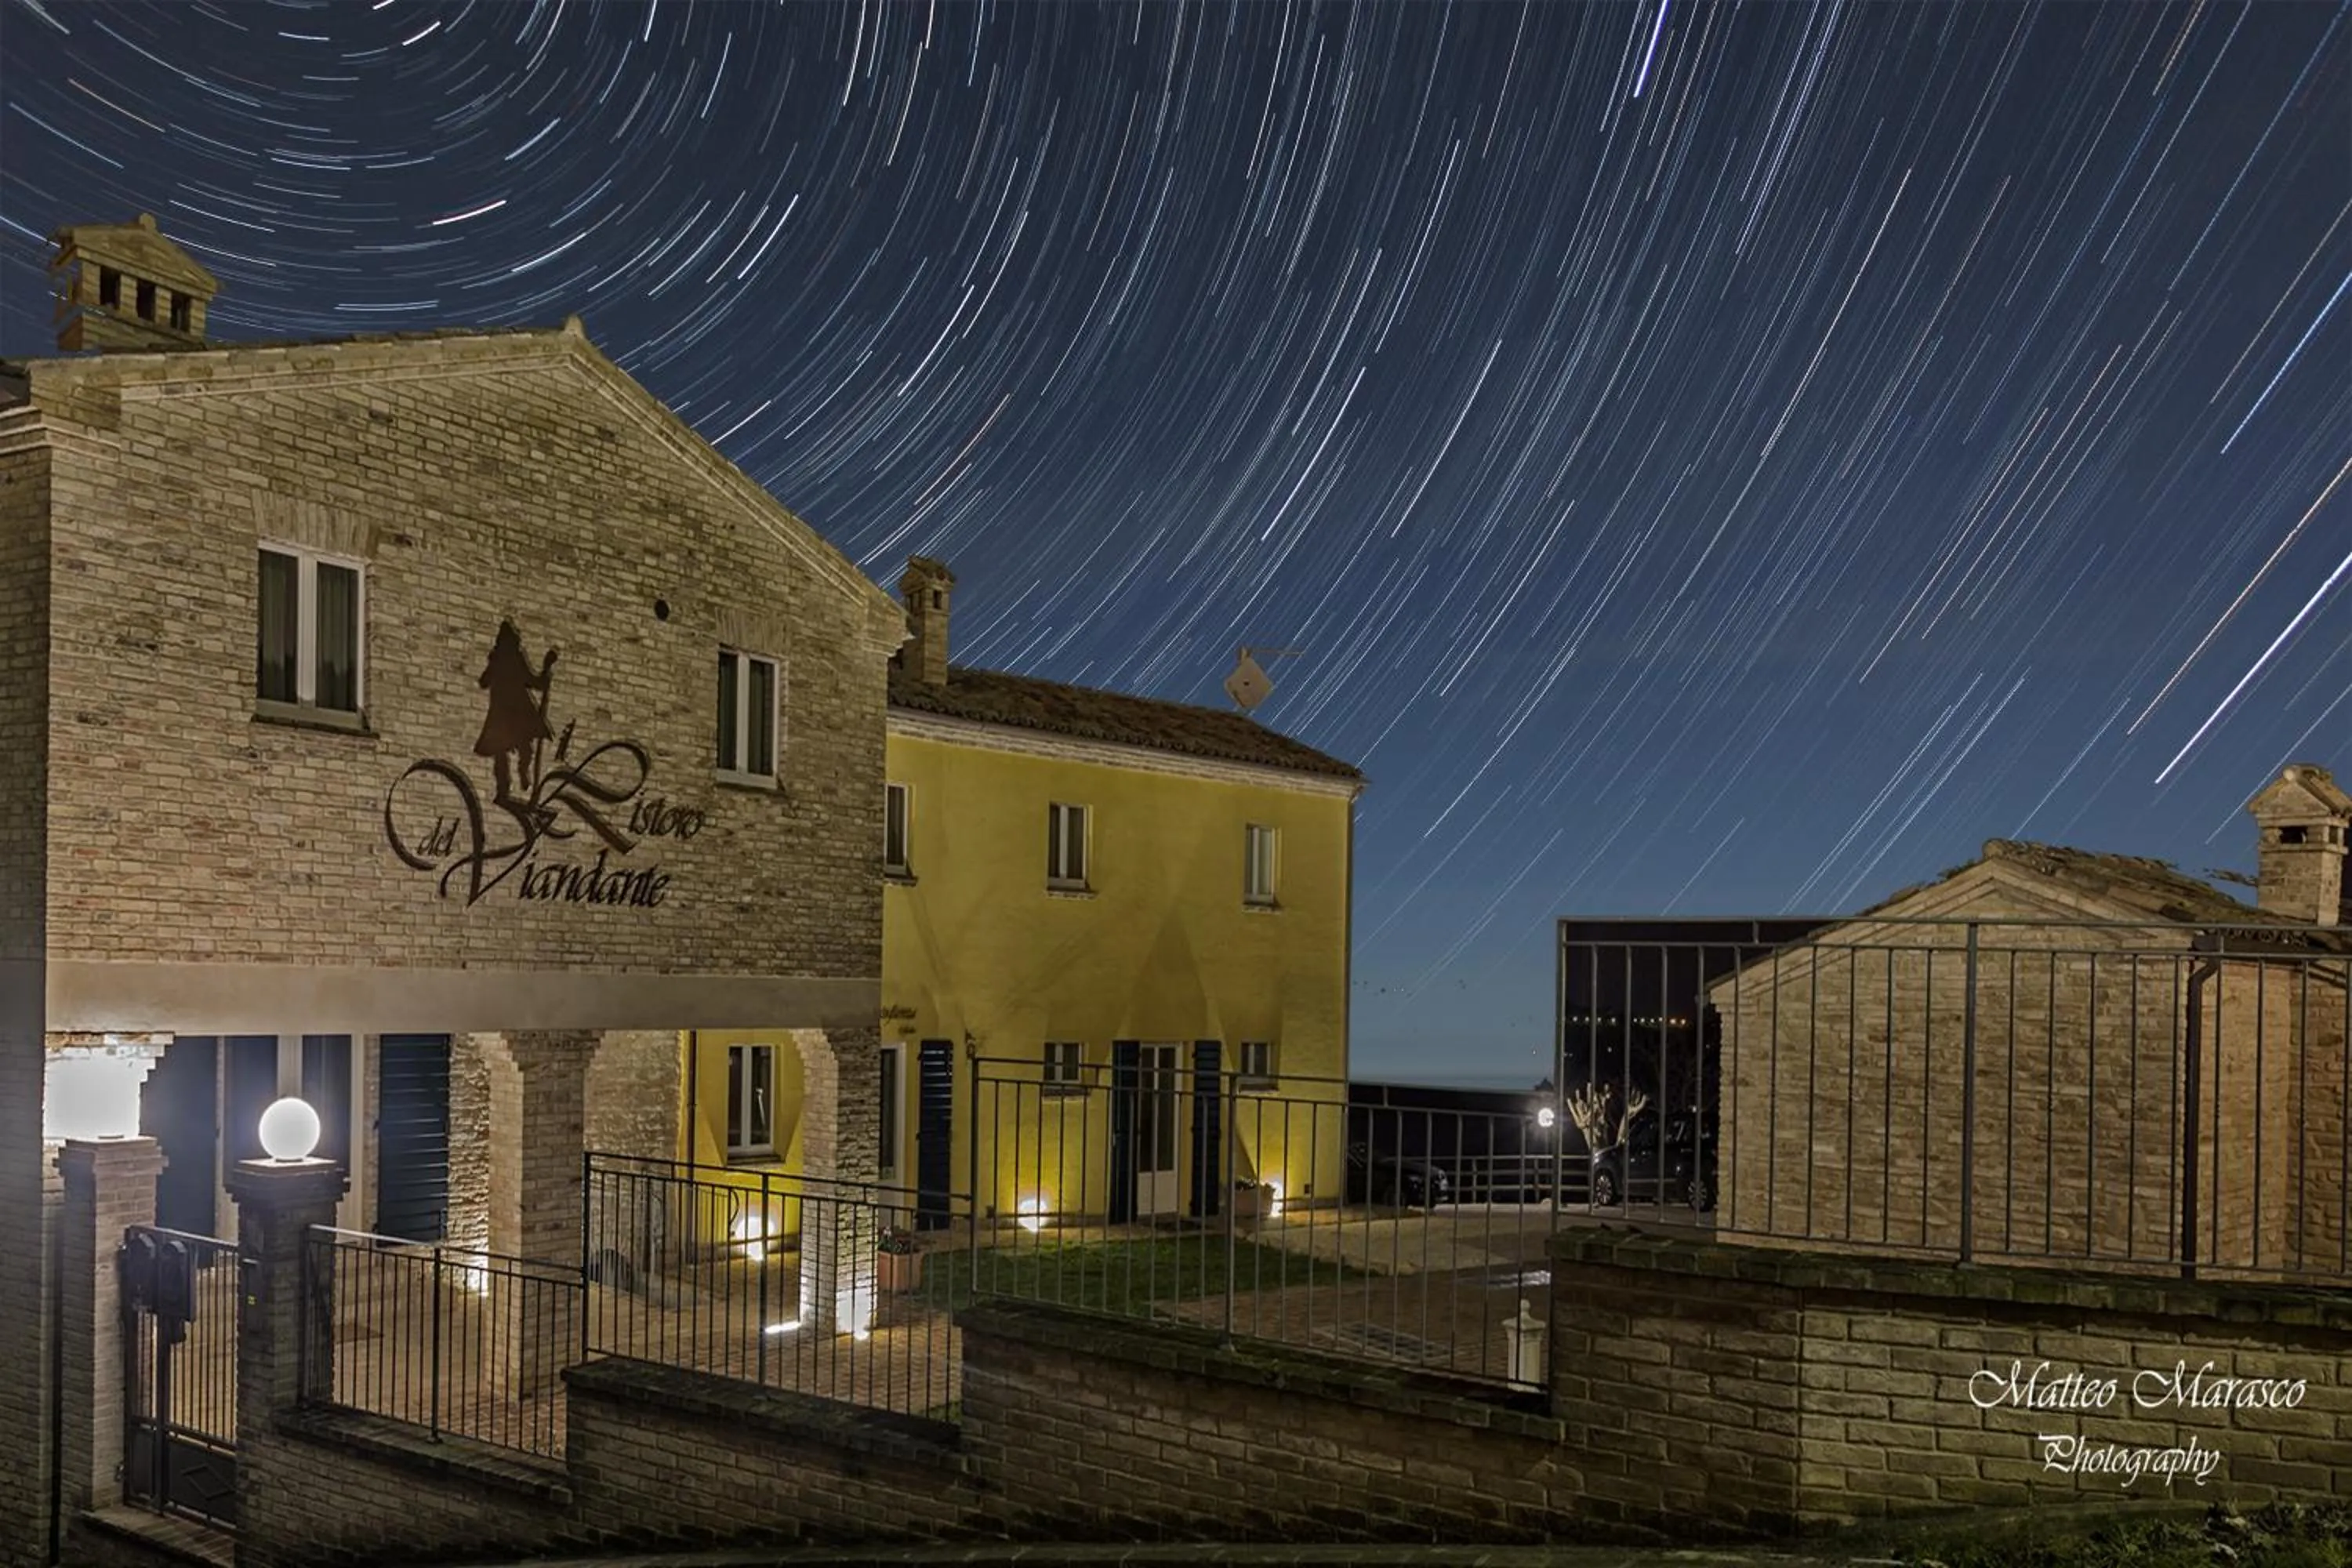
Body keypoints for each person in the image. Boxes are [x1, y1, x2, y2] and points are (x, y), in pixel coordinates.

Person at [474, 620, 557, 802]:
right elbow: (536, 683)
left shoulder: (506, 658)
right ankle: (511, 782)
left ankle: (513, 780)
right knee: (513, 750)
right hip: (513, 714)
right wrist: (546, 670)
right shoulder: (510, 658)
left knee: (504, 752)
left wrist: (547, 669)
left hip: (509, 714)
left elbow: (484, 682)